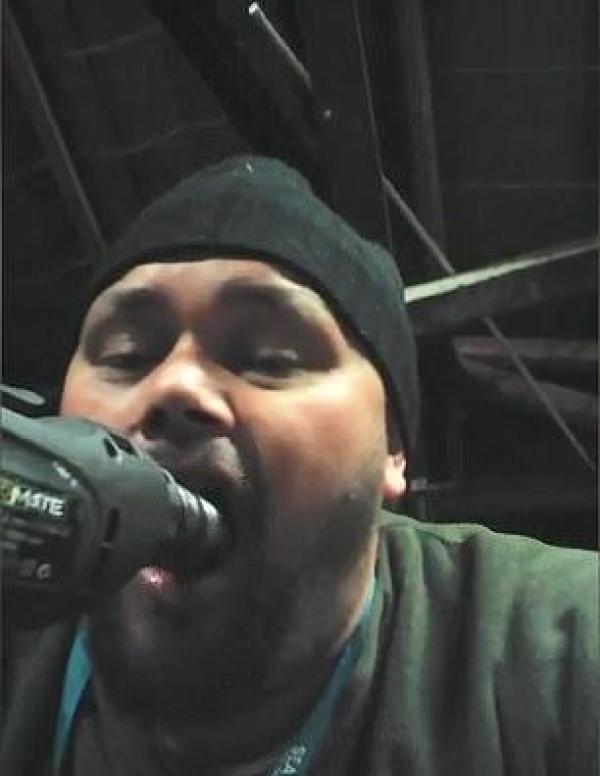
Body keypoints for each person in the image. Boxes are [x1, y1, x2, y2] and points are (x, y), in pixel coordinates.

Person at [1, 156, 597, 776]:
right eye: (127, 356)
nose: (174, 385)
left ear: (393, 446)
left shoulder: (559, 656)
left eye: (271, 358)